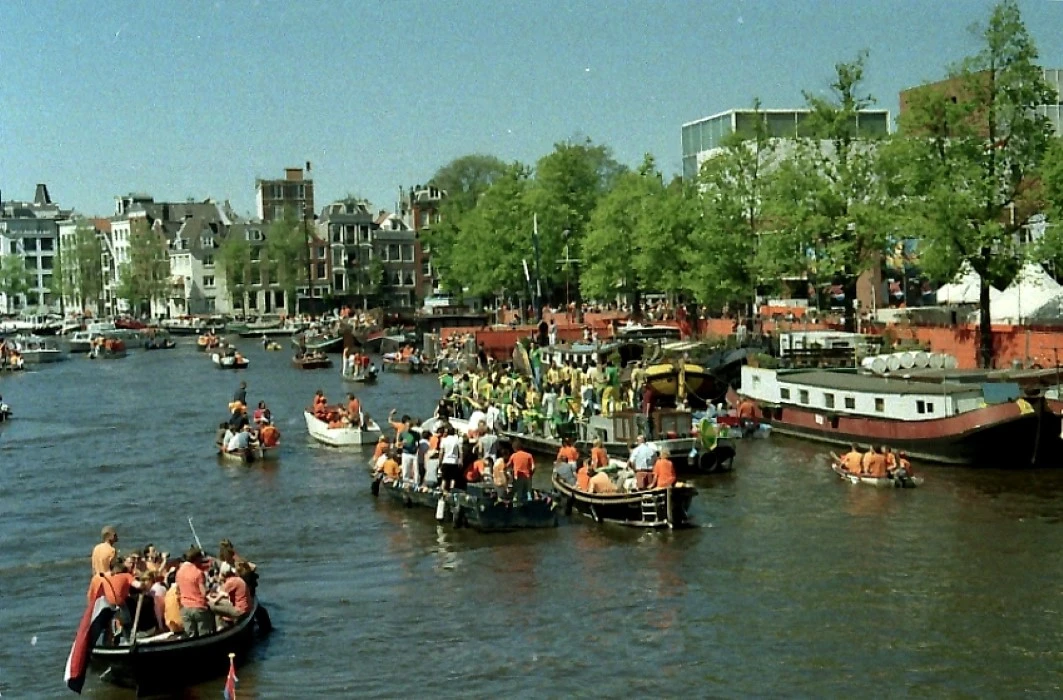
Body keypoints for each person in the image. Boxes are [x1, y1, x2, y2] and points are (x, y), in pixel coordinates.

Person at [176, 546, 214, 637]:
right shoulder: (198, 573)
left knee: (190, 636)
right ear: (197, 558)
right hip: (198, 608)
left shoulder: (179, 571)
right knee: (204, 635)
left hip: (185, 607)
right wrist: (211, 588)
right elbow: (204, 593)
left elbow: (178, 589)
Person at [440, 426, 463, 491]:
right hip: (454, 461)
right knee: (453, 478)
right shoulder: (457, 440)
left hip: (446, 460)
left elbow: (441, 452)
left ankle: (442, 491)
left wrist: (440, 461)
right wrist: (461, 460)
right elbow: (461, 452)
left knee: (444, 478)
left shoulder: (444, 440)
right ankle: (451, 491)